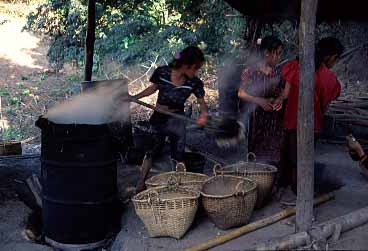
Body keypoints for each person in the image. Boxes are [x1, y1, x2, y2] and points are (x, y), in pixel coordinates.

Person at [276, 37, 344, 194]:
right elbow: (325, 104)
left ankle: (283, 185)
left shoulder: (294, 66)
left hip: (290, 121)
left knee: (288, 155)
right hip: (312, 125)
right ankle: (299, 190)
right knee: (303, 159)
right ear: (333, 57)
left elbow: (285, 95)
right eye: (336, 60)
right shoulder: (329, 78)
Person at [133, 46, 208, 164]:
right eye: (195, 67)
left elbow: (202, 102)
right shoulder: (162, 72)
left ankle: (178, 179)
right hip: (159, 117)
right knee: (151, 152)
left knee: (178, 155)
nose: (196, 71)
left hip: (177, 119)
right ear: (185, 65)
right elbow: (153, 88)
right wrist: (135, 97)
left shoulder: (194, 82)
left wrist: (203, 115)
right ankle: (141, 182)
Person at [238, 35, 284, 163]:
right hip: (257, 120)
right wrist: (259, 101)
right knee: (256, 156)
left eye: (280, 54)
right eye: (277, 53)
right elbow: (241, 93)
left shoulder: (279, 73)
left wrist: (279, 100)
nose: (279, 57)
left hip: (275, 122)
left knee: (274, 157)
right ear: (266, 53)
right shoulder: (250, 71)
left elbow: (283, 93)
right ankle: (256, 181)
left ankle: (272, 181)